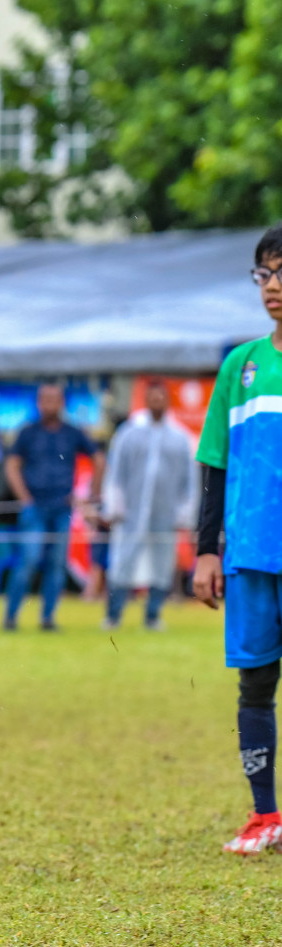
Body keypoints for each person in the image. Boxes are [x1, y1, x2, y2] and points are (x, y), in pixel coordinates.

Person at [193, 224, 282, 855]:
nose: (273, 287)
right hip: (250, 553)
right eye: (264, 274)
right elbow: (214, 465)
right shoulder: (240, 365)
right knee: (255, 684)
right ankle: (265, 816)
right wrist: (204, 549)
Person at [2, 383, 103, 631]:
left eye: (54, 399)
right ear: (38, 402)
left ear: (62, 403)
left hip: (62, 507)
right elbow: (12, 465)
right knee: (28, 560)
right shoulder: (28, 432)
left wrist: (92, 494)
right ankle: (11, 617)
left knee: (57, 565)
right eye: (45, 399)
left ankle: (47, 618)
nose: (50, 404)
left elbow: (99, 459)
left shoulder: (72, 432)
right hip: (34, 507)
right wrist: (24, 498)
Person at [101, 380, 198, 631]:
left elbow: (190, 480)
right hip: (130, 513)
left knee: (161, 565)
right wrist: (114, 505)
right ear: (146, 399)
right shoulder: (129, 433)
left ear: (167, 400)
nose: (157, 402)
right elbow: (116, 473)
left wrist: (185, 513)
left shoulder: (179, 437)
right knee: (122, 562)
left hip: (164, 515)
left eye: (161, 398)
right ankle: (113, 615)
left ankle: (152, 616)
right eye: (152, 397)